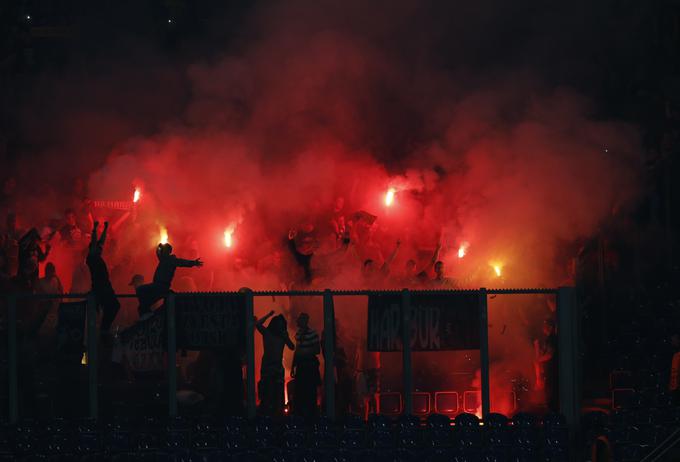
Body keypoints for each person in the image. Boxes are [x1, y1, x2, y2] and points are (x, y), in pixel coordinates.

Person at [136, 242, 203, 315]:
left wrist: (193, 263)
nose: (162, 251)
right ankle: (146, 311)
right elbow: (158, 252)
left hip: (161, 286)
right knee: (145, 296)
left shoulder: (171, 260)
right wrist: (159, 246)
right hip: (157, 285)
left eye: (164, 250)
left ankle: (146, 311)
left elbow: (182, 262)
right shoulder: (163, 259)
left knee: (141, 290)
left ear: (168, 251)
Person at [255, 310, 294, 416]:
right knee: (267, 392)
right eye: (280, 324)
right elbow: (257, 324)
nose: (281, 327)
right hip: (268, 367)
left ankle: (277, 413)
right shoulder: (267, 333)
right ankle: (268, 413)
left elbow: (292, 347)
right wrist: (268, 315)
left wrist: (286, 337)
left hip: (277, 368)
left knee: (277, 393)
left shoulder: (281, 336)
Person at [86, 222, 120, 338]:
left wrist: (105, 229)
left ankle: (103, 329)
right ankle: (102, 331)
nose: (100, 249)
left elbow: (101, 242)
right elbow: (95, 242)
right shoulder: (91, 258)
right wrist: (94, 229)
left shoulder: (97, 256)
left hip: (106, 286)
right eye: (97, 248)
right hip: (100, 287)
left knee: (114, 306)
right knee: (111, 307)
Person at [291, 312, 320, 418]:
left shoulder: (313, 333)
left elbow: (317, 349)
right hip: (301, 366)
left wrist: (304, 353)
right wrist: (293, 366)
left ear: (305, 321)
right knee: (300, 392)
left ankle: (311, 415)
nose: (298, 321)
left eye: (300, 319)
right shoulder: (298, 334)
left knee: (310, 392)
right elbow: (297, 351)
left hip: (310, 367)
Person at [534, 318, 558, 412]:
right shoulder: (548, 339)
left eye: (546, 325)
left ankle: (553, 412)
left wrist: (538, 360)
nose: (544, 327)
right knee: (549, 392)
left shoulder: (551, 339)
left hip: (552, 371)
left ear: (550, 327)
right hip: (549, 372)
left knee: (551, 393)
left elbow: (549, 354)